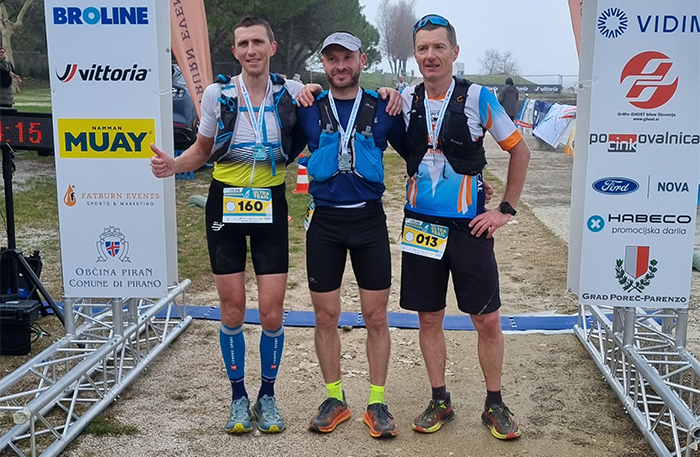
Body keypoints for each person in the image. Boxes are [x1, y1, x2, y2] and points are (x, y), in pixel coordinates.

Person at [150, 16, 307, 435]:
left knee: (272, 311)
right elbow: (202, 149)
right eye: (243, 44)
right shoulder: (217, 95)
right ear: (235, 51)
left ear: (272, 47)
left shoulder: (291, 92)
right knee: (233, 307)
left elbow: (331, 106)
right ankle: (239, 398)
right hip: (225, 204)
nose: (251, 50)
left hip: (270, 203)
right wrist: (174, 165)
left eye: (258, 42)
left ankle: (267, 396)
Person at [397, 15, 530, 440]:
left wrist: (504, 210)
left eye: (439, 47)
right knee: (428, 318)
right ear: (414, 54)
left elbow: (520, 151)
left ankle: (495, 403)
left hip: (469, 227)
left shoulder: (478, 97)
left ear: (454, 52)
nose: (430, 55)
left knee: (486, 320)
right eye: (423, 48)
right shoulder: (405, 97)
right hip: (420, 225)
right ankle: (440, 399)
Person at [295, 31, 404, 439]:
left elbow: (419, 152)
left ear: (362, 60)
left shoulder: (384, 107)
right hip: (324, 223)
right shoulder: (308, 106)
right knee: (326, 316)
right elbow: (278, 146)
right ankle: (334, 399)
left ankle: (377, 402)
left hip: (368, 222)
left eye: (347, 57)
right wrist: (297, 88)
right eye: (332, 59)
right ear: (323, 64)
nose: (340, 65)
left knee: (376, 316)